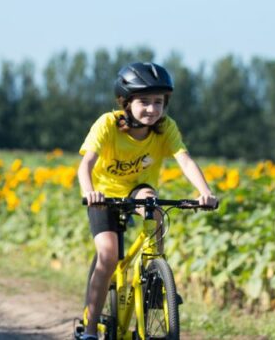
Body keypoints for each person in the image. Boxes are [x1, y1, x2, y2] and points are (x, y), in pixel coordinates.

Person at [76, 61, 217, 340]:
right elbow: (85, 165)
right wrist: (90, 192)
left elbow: (185, 161)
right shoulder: (107, 124)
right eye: (144, 102)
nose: (153, 109)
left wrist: (205, 192)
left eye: (159, 102)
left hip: (139, 189)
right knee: (107, 255)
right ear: (126, 102)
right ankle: (90, 330)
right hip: (105, 194)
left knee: (152, 204)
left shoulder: (166, 128)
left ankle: (155, 277)